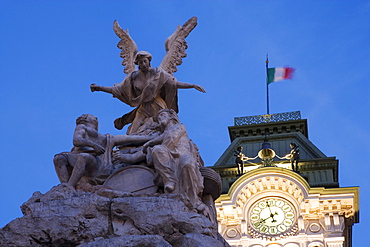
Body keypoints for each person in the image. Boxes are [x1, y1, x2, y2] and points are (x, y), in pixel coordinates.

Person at [90, 51, 205, 135]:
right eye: (140, 62)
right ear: (138, 64)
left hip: (158, 105)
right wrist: (99, 88)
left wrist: (192, 85)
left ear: (149, 62)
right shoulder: (133, 77)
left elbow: (174, 84)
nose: (143, 64)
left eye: (145, 61)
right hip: (143, 107)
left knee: (164, 130)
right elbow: (118, 90)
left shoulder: (158, 73)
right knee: (133, 131)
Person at [53, 114, 154, 187]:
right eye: (93, 117)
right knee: (58, 158)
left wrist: (150, 139)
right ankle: (65, 186)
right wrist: (94, 145)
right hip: (80, 159)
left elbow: (128, 139)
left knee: (83, 157)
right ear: (87, 119)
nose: (96, 118)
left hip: (95, 165)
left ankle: (70, 186)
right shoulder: (82, 127)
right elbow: (77, 140)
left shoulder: (105, 138)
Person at [142, 109, 204, 210]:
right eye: (158, 119)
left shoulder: (180, 126)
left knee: (187, 165)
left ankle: (193, 200)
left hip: (183, 154)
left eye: (162, 115)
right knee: (157, 150)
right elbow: (161, 138)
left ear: (171, 117)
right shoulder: (162, 135)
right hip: (169, 153)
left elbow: (171, 138)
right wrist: (149, 144)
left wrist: (150, 142)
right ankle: (170, 180)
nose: (160, 119)